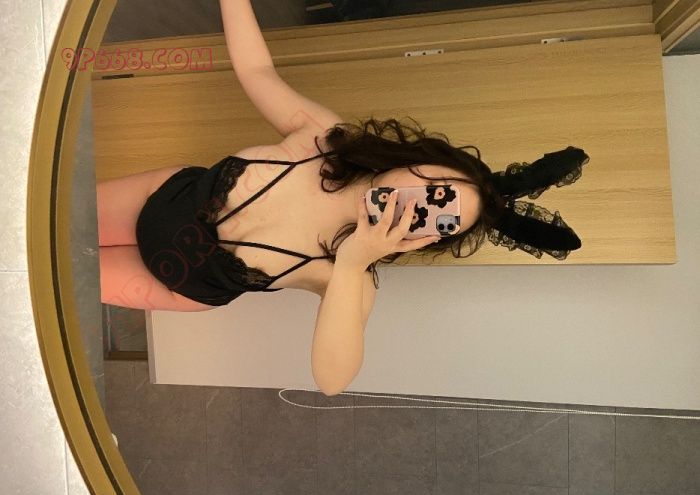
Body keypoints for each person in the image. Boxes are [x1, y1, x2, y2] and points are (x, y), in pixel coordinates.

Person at [96, 0, 586, 395]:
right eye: (437, 188)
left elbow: (332, 380)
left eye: (441, 218)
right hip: (160, 197)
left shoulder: (349, 277)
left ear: (428, 240)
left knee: (61, 276)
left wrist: (352, 263)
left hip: (174, 281)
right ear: (421, 158)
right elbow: (257, 70)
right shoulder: (325, 142)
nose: (418, 204)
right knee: (52, 220)